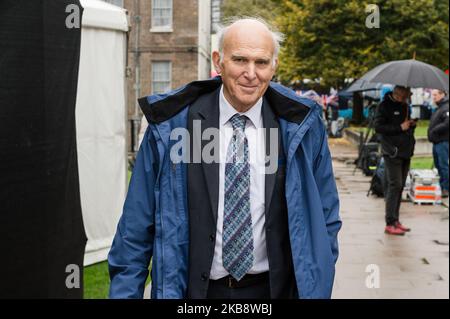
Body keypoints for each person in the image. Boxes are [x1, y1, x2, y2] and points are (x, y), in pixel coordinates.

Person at [108, 17, 341, 299]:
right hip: (196, 293)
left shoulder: (300, 127)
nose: (251, 73)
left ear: (274, 66)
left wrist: (318, 280)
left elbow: (326, 215)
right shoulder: (173, 127)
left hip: (273, 291)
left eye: (262, 62)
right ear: (218, 62)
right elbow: (135, 230)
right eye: (240, 60)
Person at [374, 86, 416, 236]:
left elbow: (405, 128)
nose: (406, 98)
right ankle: (390, 222)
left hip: (405, 150)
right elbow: (378, 127)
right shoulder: (384, 106)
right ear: (397, 94)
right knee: (394, 185)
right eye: (404, 96)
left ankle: (396, 219)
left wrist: (410, 125)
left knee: (400, 186)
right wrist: (400, 127)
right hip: (392, 151)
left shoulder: (404, 106)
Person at [428, 89, 449, 198]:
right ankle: (442, 186)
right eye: (433, 95)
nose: (433, 97)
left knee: (443, 165)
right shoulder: (439, 108)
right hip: (436, 142)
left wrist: (435, 130)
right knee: (438, 166)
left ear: (442, 94)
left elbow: (447, 123)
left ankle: (446, 188)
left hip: (443, 142)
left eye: (435, 95)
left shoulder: (446, 107)